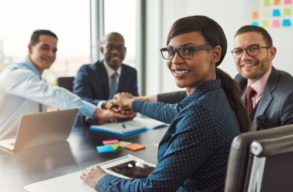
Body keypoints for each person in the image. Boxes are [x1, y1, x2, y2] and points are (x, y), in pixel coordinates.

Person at [81, 15, 250, 191]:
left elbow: (153, 189)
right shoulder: (216, 94)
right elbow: (170, 111)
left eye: (188, 50)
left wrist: (101, 180)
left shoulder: (201, 113)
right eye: (171, 51)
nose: (175, 61)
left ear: (214, 54)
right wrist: (132, 103)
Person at [0, 30, 133, 139]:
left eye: (54, 50)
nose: (51, 54)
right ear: (30, 48)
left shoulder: (38, 80)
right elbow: (54, 94)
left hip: (26, 147)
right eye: (45, 48)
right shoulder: (14, 74)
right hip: (4, 150)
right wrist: (98, 112)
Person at [231, 25, 293, 130]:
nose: (245, 57)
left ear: (272, 53)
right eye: (238, 51)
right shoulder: (237, 82)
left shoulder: (289, 93)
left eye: (253, 48)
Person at [73, 32, 138, 125]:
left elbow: (134, 99)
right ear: (102, 50)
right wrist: (105, 104)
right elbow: (80, 100)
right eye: (110, 47)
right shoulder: (86, 71)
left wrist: (130, 108)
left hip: (120, 125)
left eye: (120, 48)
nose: (115, 52)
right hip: (90, 126)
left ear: (125, 51)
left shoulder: (131, 73)